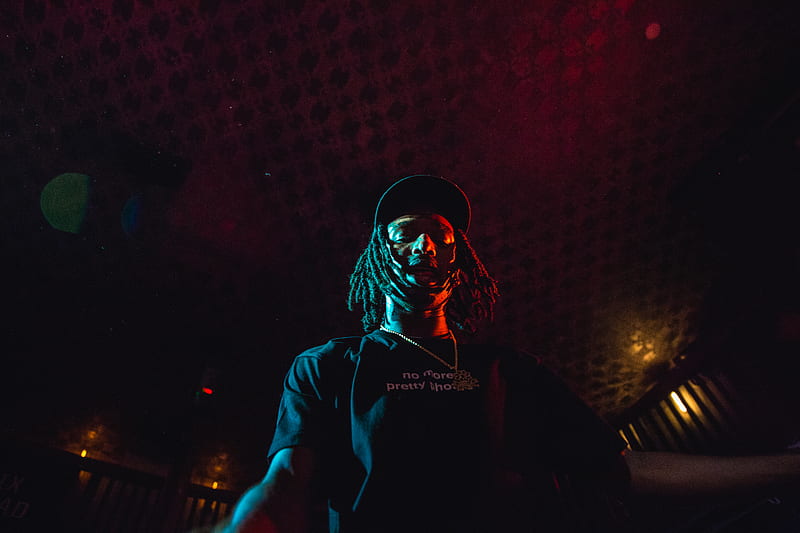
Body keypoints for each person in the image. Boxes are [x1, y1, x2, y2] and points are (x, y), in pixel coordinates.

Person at [214, 175, 800, 533]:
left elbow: (622, 468)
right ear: (377, 255)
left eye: (443, 235)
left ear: (459, 258)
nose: (427, 241)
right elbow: (287, 480)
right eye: (408, 231)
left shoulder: (508, 371)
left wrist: (786, 466)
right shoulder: (328, 366)